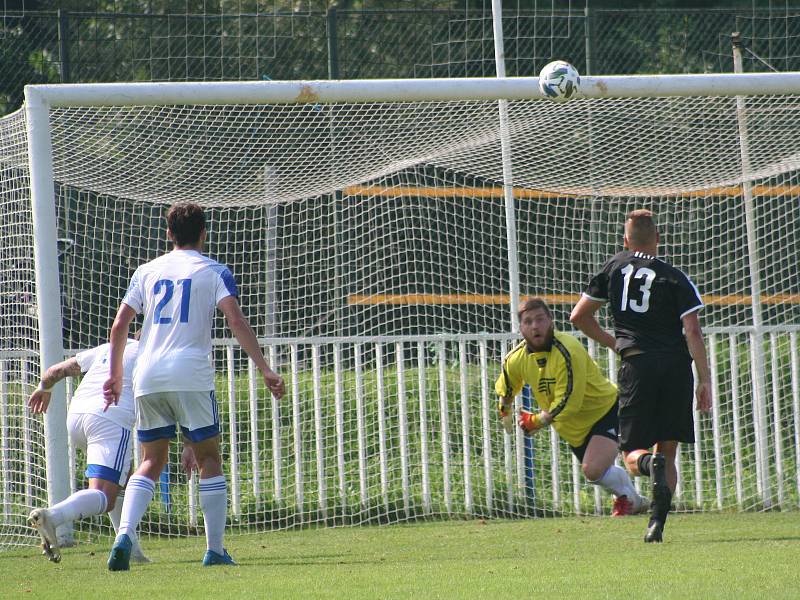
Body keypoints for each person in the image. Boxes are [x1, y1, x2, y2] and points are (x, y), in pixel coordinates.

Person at [103, 201, 285, 570]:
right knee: (209, 459)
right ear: (204, 233)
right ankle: (215, 549)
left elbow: (120, 324)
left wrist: (115, 373)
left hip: (148, 375)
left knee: (151, 461)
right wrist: (265, 368)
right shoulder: (214, 270)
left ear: (168, 234)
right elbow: (234, 319)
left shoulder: (146, 271)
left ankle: (124, 534)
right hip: (191, 374)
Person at [570, 208, 712, 543]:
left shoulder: (614, 267)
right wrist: (704, 379)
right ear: (658, 239)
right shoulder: (674, 276)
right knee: (669, 450)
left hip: (637, 365)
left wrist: (615, 344)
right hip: (676, 368)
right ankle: (657, 524)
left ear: (625, 240)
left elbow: (579, 316)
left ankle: (649, 465)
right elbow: (692, 330)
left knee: (632, 453)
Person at [496, 297, 648, 516]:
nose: (535, 326)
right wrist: (504, 409)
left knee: (592, 469)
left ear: (551, 321)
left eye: (540, 319)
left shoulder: (568, 350)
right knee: (595, 472)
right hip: (571, 427)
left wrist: (536, 421)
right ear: (520, 328)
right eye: (528, 322)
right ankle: (632, 499)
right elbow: (507, 385)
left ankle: (634, 496)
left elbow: (569, 401)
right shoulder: (516, 358)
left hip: (604, 410)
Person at [27, 337, 149, 564]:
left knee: (122, 475)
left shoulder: (108, 348)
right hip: (108, 418)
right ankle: (52, 517)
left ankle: (131, 549)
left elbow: (56, 370)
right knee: (105, 495)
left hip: (77, 417)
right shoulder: (150, 352)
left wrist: (43, 387)